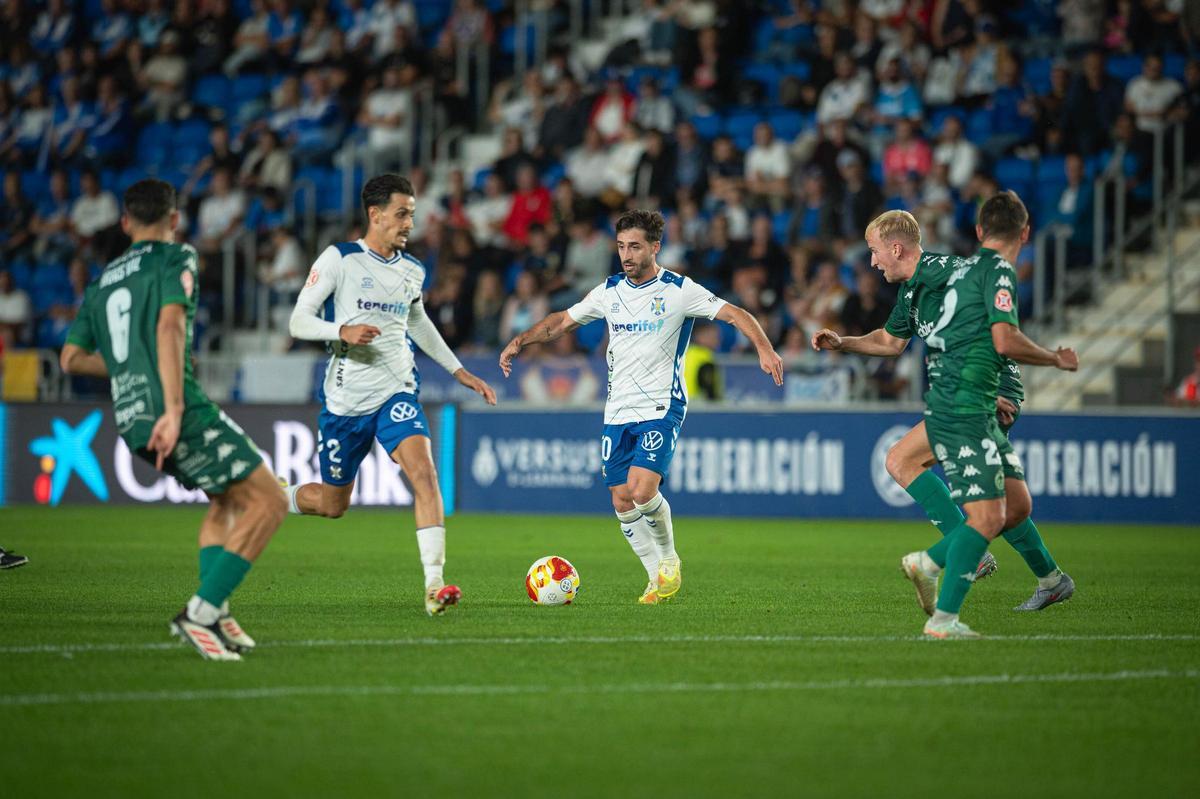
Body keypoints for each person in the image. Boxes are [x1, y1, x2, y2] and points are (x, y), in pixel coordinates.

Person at [811, 201, 1079, 638]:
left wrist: (988, 388)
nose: (872, 261)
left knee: (903, 462)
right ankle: (1051, 580)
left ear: (897, 248)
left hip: (986, 394)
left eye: (875, 251)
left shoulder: (949, 272)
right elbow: (889, 341)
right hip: (968, 392)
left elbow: (988, 323)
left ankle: (956, 565)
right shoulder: (913, 290)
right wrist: (843, 342)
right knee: (1008, 507)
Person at [499, 209, 784, 604]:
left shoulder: (679, 290)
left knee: (641, 488)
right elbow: (560, 322)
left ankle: (669, 560)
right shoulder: (609, 292)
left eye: (634, 246)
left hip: (661, 405)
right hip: (617, 410)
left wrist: (765, 349)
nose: (626, 255)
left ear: (655, 247)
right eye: (620, 247)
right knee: (620, 497)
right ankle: (656, 578)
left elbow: (735, 314)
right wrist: (521, 340)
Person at [60, 179, 286, 661]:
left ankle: (216, 611)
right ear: (175, 218)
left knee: (225, 502)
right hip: (173, 408)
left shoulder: (101, 285)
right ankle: (200, 612)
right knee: (269, 500)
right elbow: (169, 324)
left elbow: (71, 360)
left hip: (129, 416)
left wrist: (131, 373)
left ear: (125, 223)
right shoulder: (175, 257)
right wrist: (174, 408)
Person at [284, 174, 496, 616]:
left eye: (412, 215)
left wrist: (457, 370)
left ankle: (434, 584)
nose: (408, 223)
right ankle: (275, 498)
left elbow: (417, 323)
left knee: (424, 473)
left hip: (396, 390)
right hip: (345, 403)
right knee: (332, 504)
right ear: (375, 215)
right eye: (402, 214)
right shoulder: (339, 259)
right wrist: (340, 330)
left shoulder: (412, 270)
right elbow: (298, 321)